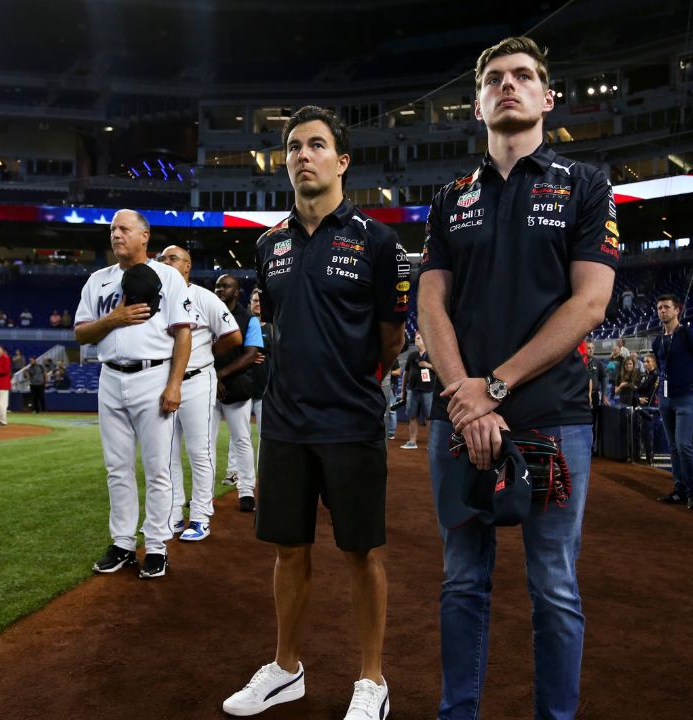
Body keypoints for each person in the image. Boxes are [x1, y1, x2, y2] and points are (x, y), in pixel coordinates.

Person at [416, 36, 616, 720]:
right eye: (495, 78)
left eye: (524, 76)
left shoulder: (585, 184)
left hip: (551, 417)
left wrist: (492, 388)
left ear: (547, 97)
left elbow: (590, 303)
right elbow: (430, 304)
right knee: (461, 581)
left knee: (554, 588)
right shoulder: (449, 199)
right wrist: (467, 400)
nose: (509, 84)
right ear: (477, 104)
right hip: (460, 416)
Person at [224, 105, 407, 719]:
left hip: (351, 420)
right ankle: (286, 669)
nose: (302, 155)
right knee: (288, 549)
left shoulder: (377, 241)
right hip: (284, 422)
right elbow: (278, 326)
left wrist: (352, 385)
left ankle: (372, 680)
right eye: (294, 147)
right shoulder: (268, 244)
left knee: (362, 552)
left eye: (316, 145)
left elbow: (390, 339)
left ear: (342, 160)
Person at [76, 209, 194, 580]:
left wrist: (175, 383)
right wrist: (114, 318)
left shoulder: (168, 276)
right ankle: (123, 543)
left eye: (124, 229)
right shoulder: (98, 280)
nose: (116, 234)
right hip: (110, 377)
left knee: (158, 468)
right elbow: (80, 333)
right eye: (113, 229)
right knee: (117, 467)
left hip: (153, 376)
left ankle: (156, 546)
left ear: (145, 236)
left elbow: (183, 333)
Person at [157, 244, 242, 542]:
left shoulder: (204, 297)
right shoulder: (155, 297)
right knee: (166, 453)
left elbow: (234, 336)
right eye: (162, 258)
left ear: (187, 265)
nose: (166, 262)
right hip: (162, 381)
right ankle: (173, 515)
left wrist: (206, 352)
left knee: (199, 451)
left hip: (196, 379)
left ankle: (200, 517)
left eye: (173, 258)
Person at [652, 294, 693, 509]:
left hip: (686, 397)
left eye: (667, 307)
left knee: (684, 445)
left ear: (677, 310)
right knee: (673, 447)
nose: (662, 311)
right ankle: (679, 491)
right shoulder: (657, 340)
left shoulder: (689, 335)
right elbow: (661, 368)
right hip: (665, 399)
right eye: (660, 307)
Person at [212, 273, 264, 511]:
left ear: (237, 291)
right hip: (208, 386)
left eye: (225, 286)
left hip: (235, 386)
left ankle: (246, 492)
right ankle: (204, 494)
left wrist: (220, 375)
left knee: (242, 439)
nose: (220, 289)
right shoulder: (207, 314)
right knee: (205, 443)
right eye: (217, 286)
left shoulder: (249, 319)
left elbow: (251, 355)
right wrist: (212, 377)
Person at [400, 332, 435, 449]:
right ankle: (412, 441)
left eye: (419, 338)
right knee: (412, 416)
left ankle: (432, 443)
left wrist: (427, 365)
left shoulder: (431, 355)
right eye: (415, 338)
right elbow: (406, 373)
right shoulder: (412, 355)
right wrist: (403, 390)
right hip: (412, 390)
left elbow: (439, 370)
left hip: (428, 391)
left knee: (429, 417)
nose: (416, 340)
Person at [249, 288, 272, 436]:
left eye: (261, 301)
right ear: (250, 303)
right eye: (255, 301)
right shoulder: (243, 324)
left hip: (265, 388)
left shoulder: (273, 326)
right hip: (244, 387)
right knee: (239, 436)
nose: (258, 304)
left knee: (264, 434)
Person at [635, 353, 663, 464]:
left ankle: (650, 459)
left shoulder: (656, 375)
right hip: (646, 409)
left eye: (648, 361)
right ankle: (648, 458)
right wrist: (639, 398)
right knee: (646, 435)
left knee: (650, 435)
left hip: (653, 409)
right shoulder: (645, 376)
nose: (645, 363)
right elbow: (638, 390)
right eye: (644, 361)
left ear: (654, 363)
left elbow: (644, 389)